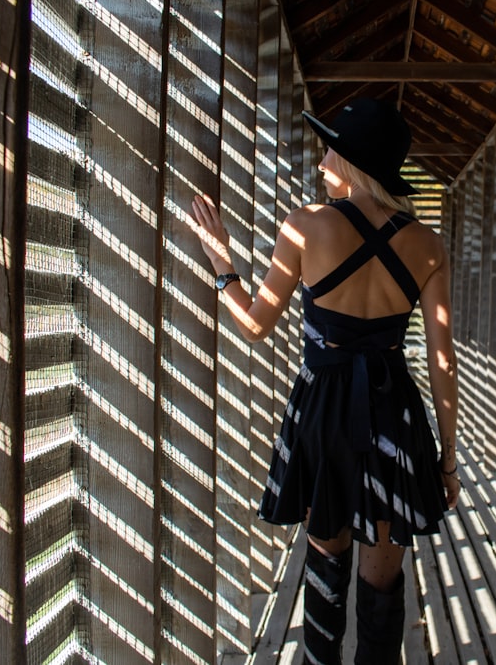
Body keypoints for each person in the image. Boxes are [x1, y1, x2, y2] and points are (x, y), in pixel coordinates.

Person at [189, 97, 460, 664]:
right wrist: (448, 460)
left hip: (323, 410)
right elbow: (442, 363)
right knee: (383, 584)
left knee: (325, 566)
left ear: (351, 160)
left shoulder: (306, 225)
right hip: (395, 414)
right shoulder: (429, 246)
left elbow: (256, 324)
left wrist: (221, 266)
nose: (319, 164)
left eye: (329, 150)